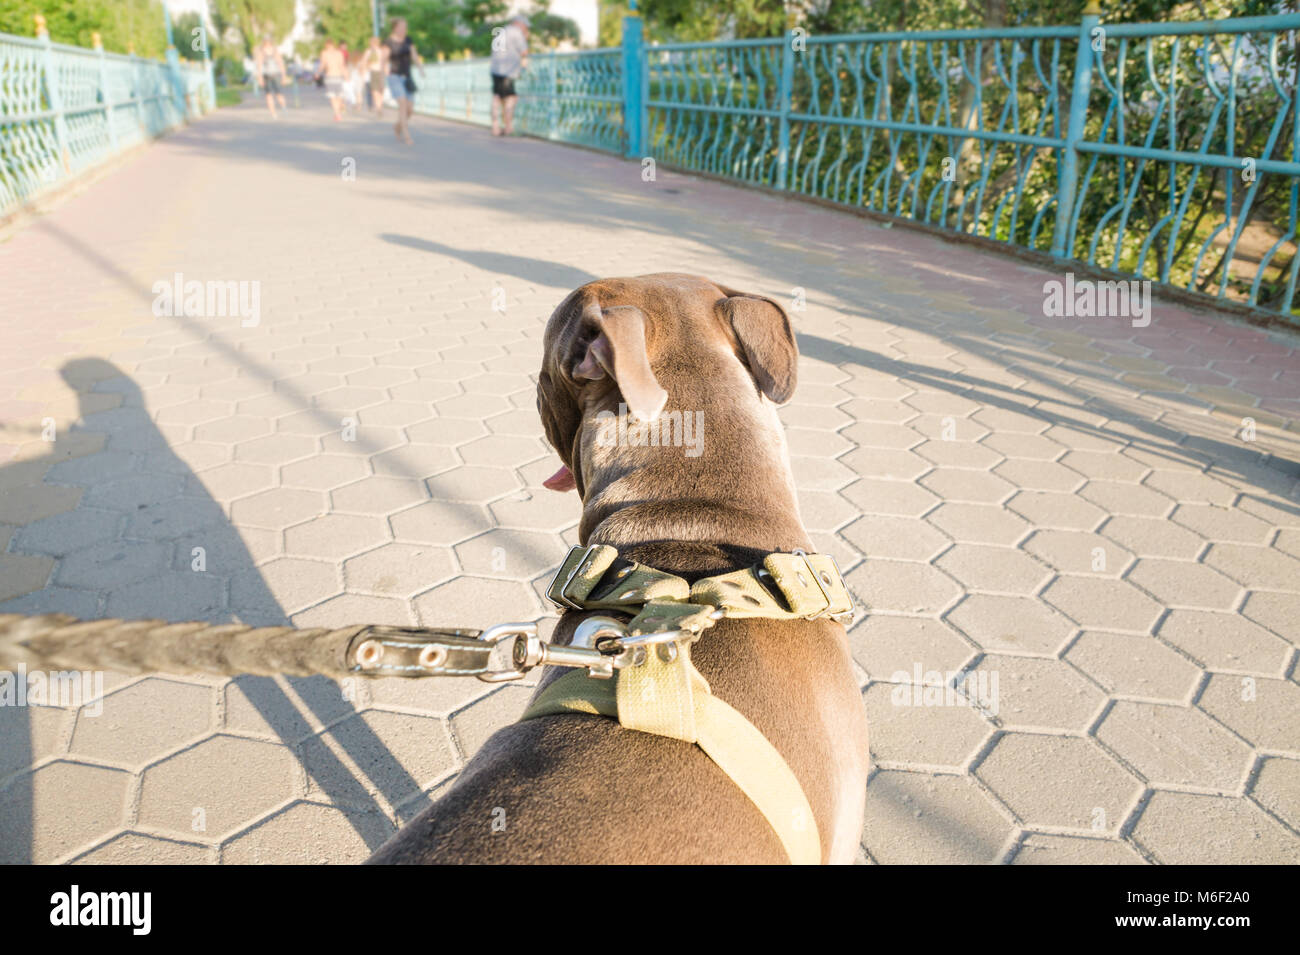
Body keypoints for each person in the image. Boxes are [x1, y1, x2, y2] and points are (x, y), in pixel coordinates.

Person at [489, 14, 529, 137]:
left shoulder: (501, 31)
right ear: (519, 24)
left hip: (495, 69)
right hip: (508, 71)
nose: (526, 28)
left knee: (497, 97)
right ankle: (508, 127)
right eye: (525, 26)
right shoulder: (517, 33)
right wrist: (525, 37)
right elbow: (524, 51)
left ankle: (495, 127)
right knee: (510, 98)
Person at [382, 18, 421, 145]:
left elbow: (414, 55)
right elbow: (383, 59)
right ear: (395, 28)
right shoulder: (388, 42)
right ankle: (406, 134)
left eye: (405, 27)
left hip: (407, 77)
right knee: (403, 103)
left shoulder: (408, 40)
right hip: (394, 77)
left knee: (410, 110)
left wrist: (420, 68)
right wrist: (383, 75)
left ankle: (397, 126)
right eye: (402, 27)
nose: (404, 30)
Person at [255, 36, 288, 118]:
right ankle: (279, 110)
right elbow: (280, 64)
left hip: (270, 75)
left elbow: (259, 66)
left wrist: (260, 77)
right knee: (274, 94)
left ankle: (275, 112)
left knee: (272, 95)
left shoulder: (264, 52)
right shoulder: (273, 51)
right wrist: (284, 76)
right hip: (271, 75)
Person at [317, 39, 346, 121]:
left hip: (331, 76)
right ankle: (338, 112)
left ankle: (337, 113)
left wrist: (318, 73)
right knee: (337, 95)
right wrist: (346, 75)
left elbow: (322, 64)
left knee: (333, 96)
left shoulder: (325, 53)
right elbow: (342, 65)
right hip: (337, 76)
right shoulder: (339, 53)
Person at [362, 36, 385, 113]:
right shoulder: (369, 52)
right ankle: (379, 107)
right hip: (374, 72)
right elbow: (364, 62)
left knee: (378, 90)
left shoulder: (380, 51)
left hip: (378, 72)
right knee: (376, 90)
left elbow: (384, 61)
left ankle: (379, 106)